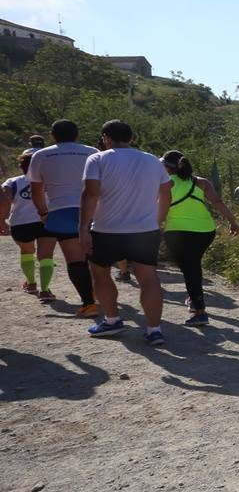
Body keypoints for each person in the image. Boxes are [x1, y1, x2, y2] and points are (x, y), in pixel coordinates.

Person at [79, 120, 173, 344]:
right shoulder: (152, 160)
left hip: (106, 229)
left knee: (100, 273)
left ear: (106, 138)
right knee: (149, 278)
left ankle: (112, 321)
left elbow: (90, 194)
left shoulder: (97, 159)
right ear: (131, 138)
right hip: (144, 230)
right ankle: (154, 330)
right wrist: (158, 220)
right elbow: (166, 193)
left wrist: (83, 228)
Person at [159, 151, 239, 326]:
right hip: (205, 231)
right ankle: (193, 298)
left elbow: (160, 209)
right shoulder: (201, 182)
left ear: (167, 167)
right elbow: (217, 202)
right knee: (193, 265)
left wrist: (151, 227)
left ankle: (200, 311)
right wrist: (232, 221)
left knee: (189, 268)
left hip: (176, 232)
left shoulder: (165, 184)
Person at [27, 120, 99, 314]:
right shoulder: (92, 152)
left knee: (75, 259)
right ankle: (101, 294)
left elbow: (36, 190)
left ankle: (89, 303)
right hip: (94, 210)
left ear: (52, 135)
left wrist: (43, 212)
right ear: (77, 134)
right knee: (96, 258)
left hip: (61, 211)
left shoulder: (41, 155)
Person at [1, 150, 46, 295]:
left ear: (22, 167)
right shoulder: (49, 180)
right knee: (46, 256)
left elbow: (5, 201)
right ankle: (45, 290)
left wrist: (2, 220)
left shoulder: (12, 182)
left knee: (27, 252)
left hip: (21, 222)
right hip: (45, 220)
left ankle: (31, 283)